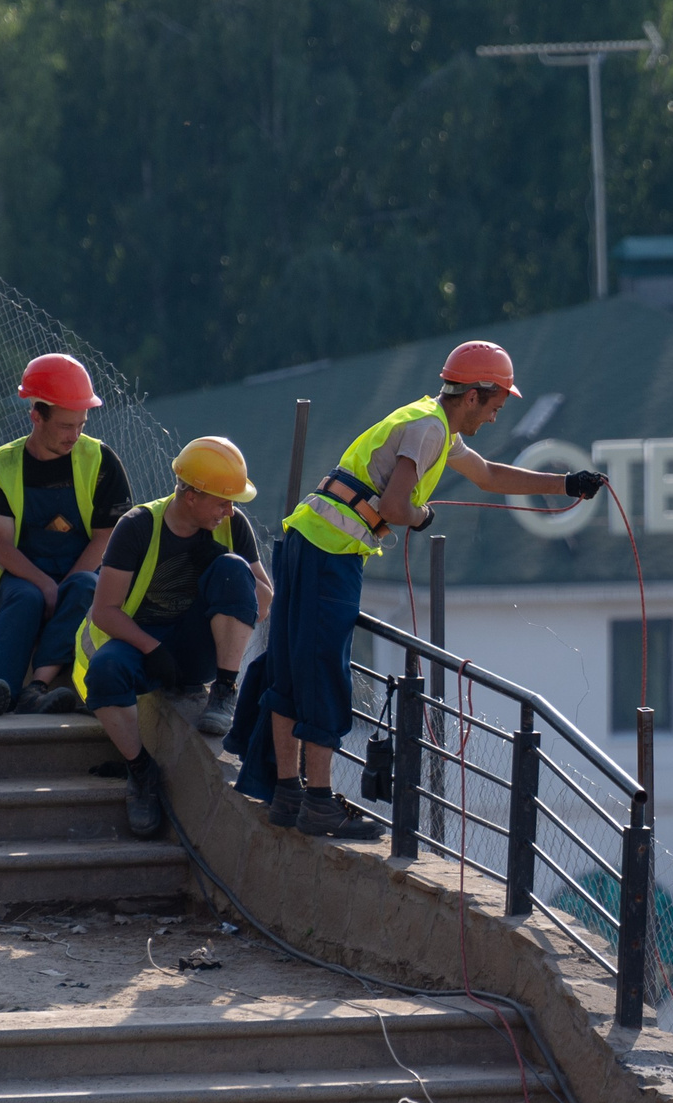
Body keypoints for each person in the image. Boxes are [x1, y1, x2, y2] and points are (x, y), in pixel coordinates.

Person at [241, 340, 603, 838]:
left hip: (305, 538)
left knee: (289, 666)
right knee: (324, 671)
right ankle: (319, 803)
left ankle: (287, 794)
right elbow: (394, 506)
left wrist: (565, 484)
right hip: (333, 553)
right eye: (496, 405)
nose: (496, 418)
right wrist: (421, 515)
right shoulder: (431, 429)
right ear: (474, 394)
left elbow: (489, 475)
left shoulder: (429, 420)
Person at [74, 437, 272, 839]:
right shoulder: (138, 526)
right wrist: (152, 647)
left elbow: (263, 601)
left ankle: (225, 690)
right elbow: (105, 610)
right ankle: (141, 772)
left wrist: (219, 561)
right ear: (191, 495)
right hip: (143, 643)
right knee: (105, 673)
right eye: (221, 501)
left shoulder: (231, 526)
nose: (229, 511)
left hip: (195, 646)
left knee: (235, 569)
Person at [0, 354, 133, 715]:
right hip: (25, 570)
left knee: (85, 590)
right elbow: (2, 545)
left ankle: (37, 688)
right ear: (36, 416)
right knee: (24, 598)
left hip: (82, 568)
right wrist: (44, 584)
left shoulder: (101, 460)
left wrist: (64, 586)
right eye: (64, 426)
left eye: (81, 424)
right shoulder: (2, 464)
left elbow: (106, 537)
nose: (74, 436)